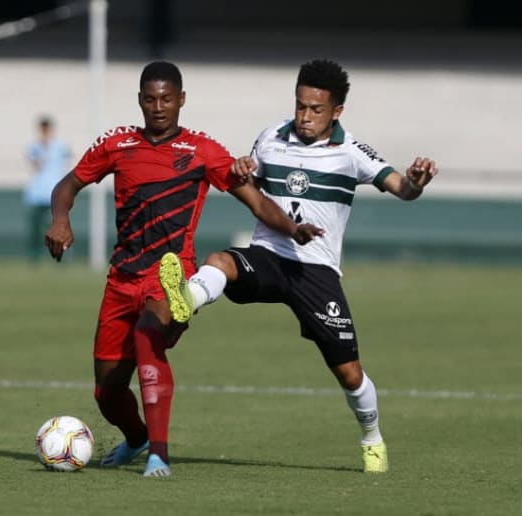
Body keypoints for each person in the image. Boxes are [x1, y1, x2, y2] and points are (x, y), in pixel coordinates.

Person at [158, 59, 439, 474]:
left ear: (337, 111)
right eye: (300, 106)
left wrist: (416, 180)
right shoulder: (271, 136)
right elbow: (249, 180)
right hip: (270, 256)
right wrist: (242, 169)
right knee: (221, 260)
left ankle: (372, 437)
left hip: (316, 273)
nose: (305, 117)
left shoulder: (352, 152)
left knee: (349, 373)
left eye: (316, 109)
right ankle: (187, 297)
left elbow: (403, 189)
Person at [45, 61, 321, 477]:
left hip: (169, 272)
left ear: (181, 100)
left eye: (167, 99)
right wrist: (61, 219)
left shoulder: (203, 151)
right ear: (140, 101)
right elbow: (67, 185)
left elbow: (257, 201)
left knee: (148, 337)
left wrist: (293, 228)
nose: (159, 107)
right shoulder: (116, 143)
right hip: (122, 277)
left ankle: (159, 453)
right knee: (107, 390)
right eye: (151, 99)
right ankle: (137, 438)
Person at [24, 116, 70, 260]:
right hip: (38, 193)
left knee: (59, 227)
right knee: (36, 228)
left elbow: (66, 163)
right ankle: (35, 256)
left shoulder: (60, 147)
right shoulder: (34, 147)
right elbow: (35, 164)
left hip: (55, 192)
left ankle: (61, 255)